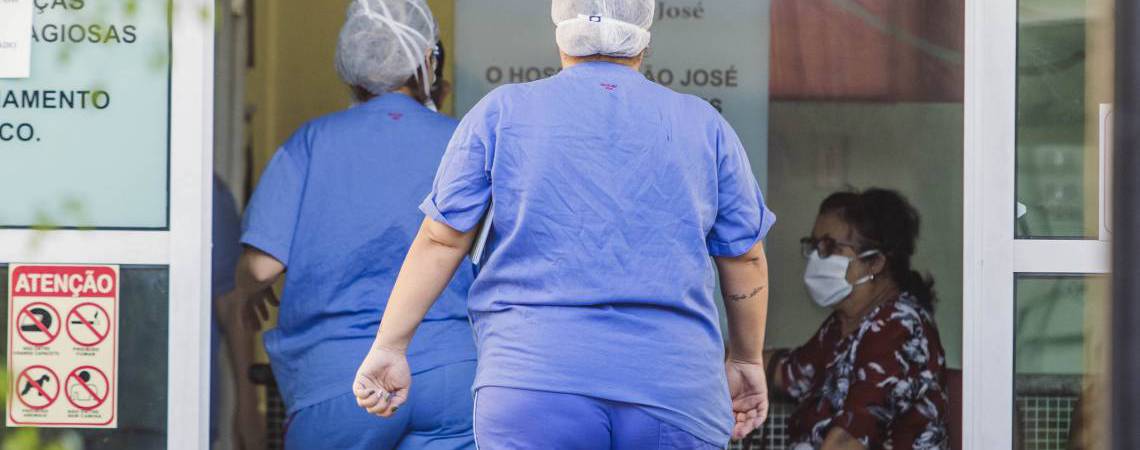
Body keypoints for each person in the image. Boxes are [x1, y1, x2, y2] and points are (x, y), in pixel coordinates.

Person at [352, 0, 776, 448]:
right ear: (643, 36)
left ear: (562, 32)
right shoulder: (704, 125)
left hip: (532, 385)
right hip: (675, 390)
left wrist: (390, 346)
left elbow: (441, 240)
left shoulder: (502, 113)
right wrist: (746, 360)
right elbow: (745, 258)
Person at [218, 0, 478, 448]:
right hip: (452, 378)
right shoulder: (464, 142)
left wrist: (249, 289)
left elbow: (261, 267)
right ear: (427, 61)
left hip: (342, 384)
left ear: (351, 63)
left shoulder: (311, 143)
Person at [768, 189, 950, 450]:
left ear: (874, 262)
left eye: (830, 247)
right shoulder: (843, 324)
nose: (817, 257)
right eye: (814, 245)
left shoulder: (899, 327)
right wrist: (724, 359)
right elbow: (791, 372)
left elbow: (847, 442)